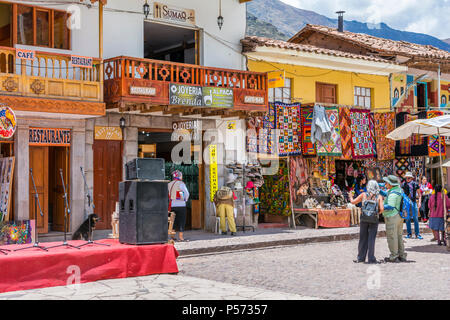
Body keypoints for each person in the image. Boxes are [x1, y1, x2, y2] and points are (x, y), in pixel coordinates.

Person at [349, 180, 384, 264]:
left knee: (363, 238)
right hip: (374, 220)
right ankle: (371, 258)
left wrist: (350, 196)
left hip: (364, 219)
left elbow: (353, 202)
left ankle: (361, 258)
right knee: (371, 239)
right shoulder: (378, 196)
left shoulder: (363, 194)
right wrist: (376, 213)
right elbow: (382, 209)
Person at [382, 175, 407, 263]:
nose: (385, 184)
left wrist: (380, 206)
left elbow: (390, 206)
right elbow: (386, 193)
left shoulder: (393, 193)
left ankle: (394, 256)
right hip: (399, 216)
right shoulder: (398, 189)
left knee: (392, 236)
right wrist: (380, 191)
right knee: (399, 236)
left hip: (392, 216)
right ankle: (402, 255)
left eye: (386, 182)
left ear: (390, 184)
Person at [168, 170, 190, 242]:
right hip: (181, 205)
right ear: (179, 176)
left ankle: (172, 237)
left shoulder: (169, 184)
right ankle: (181, 237)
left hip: (172, 204)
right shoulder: (181, 183)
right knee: (181, 220)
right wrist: (185, 200)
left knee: (172, 221)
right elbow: (186, 193)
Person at [402, 172, 423, 239]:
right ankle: (409, 234)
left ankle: (417, 234)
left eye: (409, 178)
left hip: (413, 202)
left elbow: (419, 194)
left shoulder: (415, 184)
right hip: (406, 203)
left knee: (415, 218)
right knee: (407, 219)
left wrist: (419, 202)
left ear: (411, 178)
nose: (407, 179)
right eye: (406, 178)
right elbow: (402, 194)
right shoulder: (403, 184)